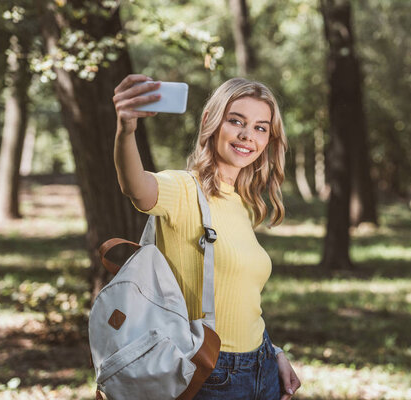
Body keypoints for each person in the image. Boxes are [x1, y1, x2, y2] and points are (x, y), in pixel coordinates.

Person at [112, 74, 301, 400]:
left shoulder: (242, 202)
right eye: (236, 121)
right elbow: (136, 187)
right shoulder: (184, 189)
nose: (247, 135)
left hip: (263, 367)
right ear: (211, 122)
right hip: (210, 372)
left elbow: (239, 299)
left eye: (260, 127)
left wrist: (275, 352)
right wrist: (126, 131)